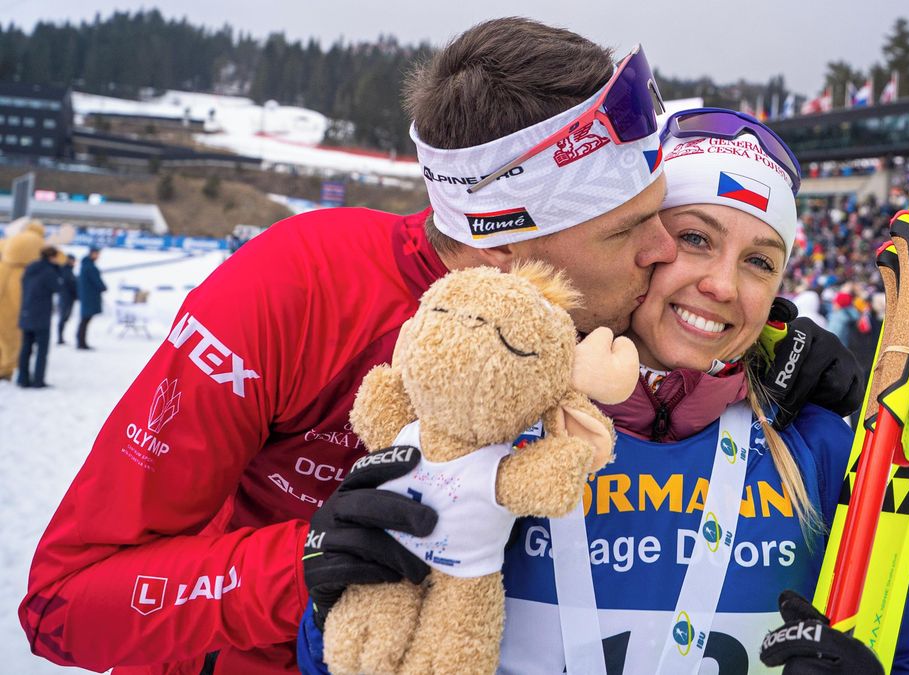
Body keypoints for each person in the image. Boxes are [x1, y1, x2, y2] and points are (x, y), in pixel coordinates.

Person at [20, 20, 860, 675]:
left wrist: (780, 344)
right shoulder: (301, 287)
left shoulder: (583, 304)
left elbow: (697, 322)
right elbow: (63, 603)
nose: (660, 256)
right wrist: (304, 559)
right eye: (630, 232)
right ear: (503, 256)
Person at [296, 109, 909, 674]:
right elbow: (346, 655)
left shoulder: (818, 444)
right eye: (696, 238)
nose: (724, 285)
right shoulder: (494, 423)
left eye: (759, 261)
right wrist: (332, 602)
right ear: (643, 245)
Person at [0, 218, 47, 381]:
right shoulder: (41, 242)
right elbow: (58, 258)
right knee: (15, 331)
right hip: (21, 284)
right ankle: (8, 367)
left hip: (3, 273)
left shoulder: (12, 239)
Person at [17, 246, 63, 388]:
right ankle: (38, 380)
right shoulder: (49, 271)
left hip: (26, 312)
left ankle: (22, 379)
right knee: (42, 351)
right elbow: (58, 287)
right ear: (52, 257)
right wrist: (57, 269)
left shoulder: (30, 268)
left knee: (25, 349)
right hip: (41, 316)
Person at [76, 247, 107, 350]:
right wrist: (103, 287)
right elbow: (96, 281)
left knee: (85, 320)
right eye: (97, 254)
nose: (98, 256)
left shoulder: (86, 265)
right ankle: (81, 342)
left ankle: (81, 341)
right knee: (85, 319)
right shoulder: (89, 267)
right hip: (89, 297)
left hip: (87, 296)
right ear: (92, 254)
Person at [57, 254, 78, 345]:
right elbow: (68, 284)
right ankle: (60, 338)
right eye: (72, 260)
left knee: (65, 317)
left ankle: (61, 337)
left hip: (68, 297)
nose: (74, 263)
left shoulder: (69, 270)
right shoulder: (65, 270)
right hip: (65, 297)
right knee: (63, 317)